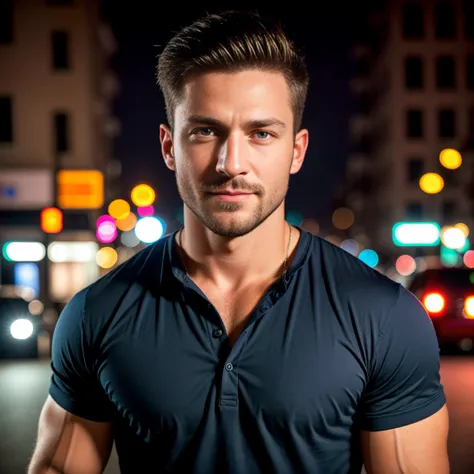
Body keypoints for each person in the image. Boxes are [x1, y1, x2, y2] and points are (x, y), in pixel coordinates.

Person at [28, 10, 449, 474]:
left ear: (297, 150)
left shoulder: (382, 316)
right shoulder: (97, 313)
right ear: (170, 147)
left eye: (261, 133)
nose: (231, 163)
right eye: (206, 131)